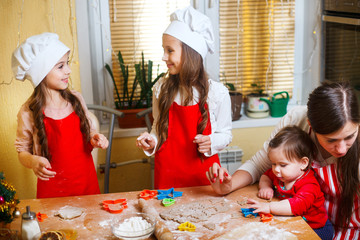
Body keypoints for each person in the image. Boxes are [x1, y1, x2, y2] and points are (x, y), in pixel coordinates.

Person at [207, 82, 360, 239]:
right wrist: (228, 186)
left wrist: (270, 207)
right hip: (303, 222)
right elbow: (259, 165)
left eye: (350, 137)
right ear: (310, 125)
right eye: (331, 140)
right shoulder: (296, 119)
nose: (342, 149)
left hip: (349, 229)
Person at [136, 6, 232, 189]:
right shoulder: (161, 89)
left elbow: (226, 134)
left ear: (190, 53)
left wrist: (212, 141)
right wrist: (151, 142)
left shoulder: (217, 93)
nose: (164, 57)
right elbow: (158, 127)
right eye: (164, 50)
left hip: (205, 176)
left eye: (170, 50)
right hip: (167, 175)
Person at [12, 32, 109, 198]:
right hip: (52, 192)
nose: (68, 71)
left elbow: (90, 132)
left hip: (86, 186)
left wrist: (95, 137)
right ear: (41, 73)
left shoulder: (75, 99)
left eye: (67, 64)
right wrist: (33, 161)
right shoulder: (28, 112)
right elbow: (23, 152)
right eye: (60, 66)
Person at [246, 126, 333, 240]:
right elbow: (266, 175)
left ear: (303, 163)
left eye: (283, 165)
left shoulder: (309, 185)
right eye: (273, 163)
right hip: (296, 223)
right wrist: (265, 187)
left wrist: (269, 207)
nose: (276, 169)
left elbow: (296, 205)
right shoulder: (280, 175)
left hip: (317, 229)